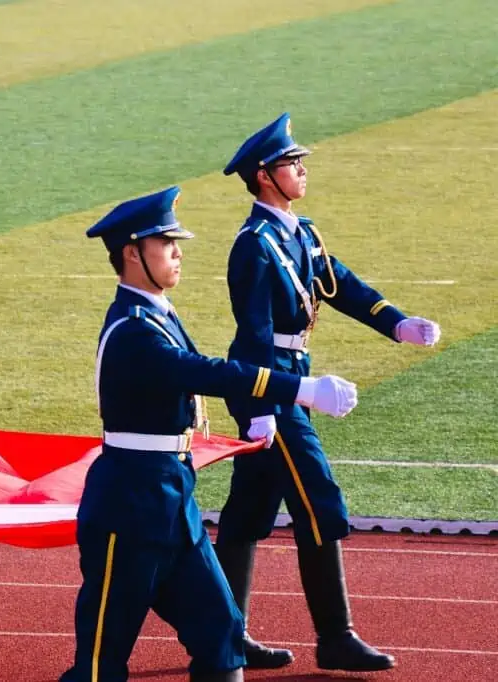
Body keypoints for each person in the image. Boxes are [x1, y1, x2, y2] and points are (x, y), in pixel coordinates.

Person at [61, 185, 362, 682]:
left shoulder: (158, 313)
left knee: (222, 634)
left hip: (174, 501)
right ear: (133, 254)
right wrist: (301, 388)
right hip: (129, 508)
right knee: (100, 663)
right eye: (166, 244)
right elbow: (206, 372)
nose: (178, 253)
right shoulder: (134, 329)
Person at [214, 113, 442, 672]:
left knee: (247, 514)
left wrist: (396, 321)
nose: (302, 170)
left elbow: (339, 283)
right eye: (293, 164)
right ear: (265, 177)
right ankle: (335, 635)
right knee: (319, 500)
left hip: (291, 381)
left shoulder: (299, 233)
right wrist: (266, 408)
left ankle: (223, 634)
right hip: (274, 389)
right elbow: (255, 336)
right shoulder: (254, 245)